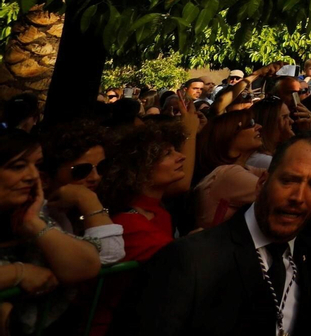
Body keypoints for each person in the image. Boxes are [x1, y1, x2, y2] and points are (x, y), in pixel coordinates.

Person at [112, 134, 311, 336]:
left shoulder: (309, 256)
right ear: (263, 181)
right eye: (289, 180)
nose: (298, 196)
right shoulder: (190, 260)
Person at [0, 130, 103, 334]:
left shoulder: (25, 215)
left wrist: (32, 222)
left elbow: (87, 266)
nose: (32, 176)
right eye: (19, 166)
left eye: (36, 166)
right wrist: (17, 273)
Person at [99, 119, 195, 262]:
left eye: (175, 150)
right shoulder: (130, 224)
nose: (182, 157)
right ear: (140, 167)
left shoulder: (155, 211)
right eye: (168, 153)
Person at [39, 121, 124, 263]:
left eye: (102, 167)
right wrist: (86, 199)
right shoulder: (37, 215)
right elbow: (109, 254)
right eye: (81, 171)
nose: (95, 177)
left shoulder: (107, 198)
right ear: (46, 177)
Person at [192, 109, 266, 230]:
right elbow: (279, 195)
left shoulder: (245, 169)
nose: (259, 126)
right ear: (228, 136)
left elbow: (282, 175)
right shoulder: (228, 175)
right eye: (250, 123)